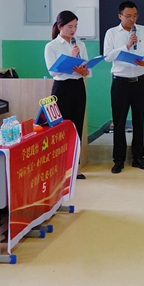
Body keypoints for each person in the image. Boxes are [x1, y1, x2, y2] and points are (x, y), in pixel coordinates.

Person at [103, 1, 144, 173]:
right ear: (120, 16)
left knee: (139, 120)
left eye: (135, 16)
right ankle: (118, 160)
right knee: (119, 122)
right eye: (128, 16)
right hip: (120, 82)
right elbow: (107, 56)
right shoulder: (112, 33)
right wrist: (126, 46)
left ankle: (138, 158)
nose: (132, 19)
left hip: (140, 82)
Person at [44, 10, 90, 179]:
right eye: (70, 26)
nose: (73, 30)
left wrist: (84, 71)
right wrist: (71, 58)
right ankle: (59, 168)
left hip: (78, 86)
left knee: (76, 127)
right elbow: (53, 72)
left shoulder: (80, 44)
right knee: (61, 129)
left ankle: (75, 168)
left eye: (75, 26)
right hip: (62, 89)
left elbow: (88, 69)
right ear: (60, 26)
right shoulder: (51, 46)